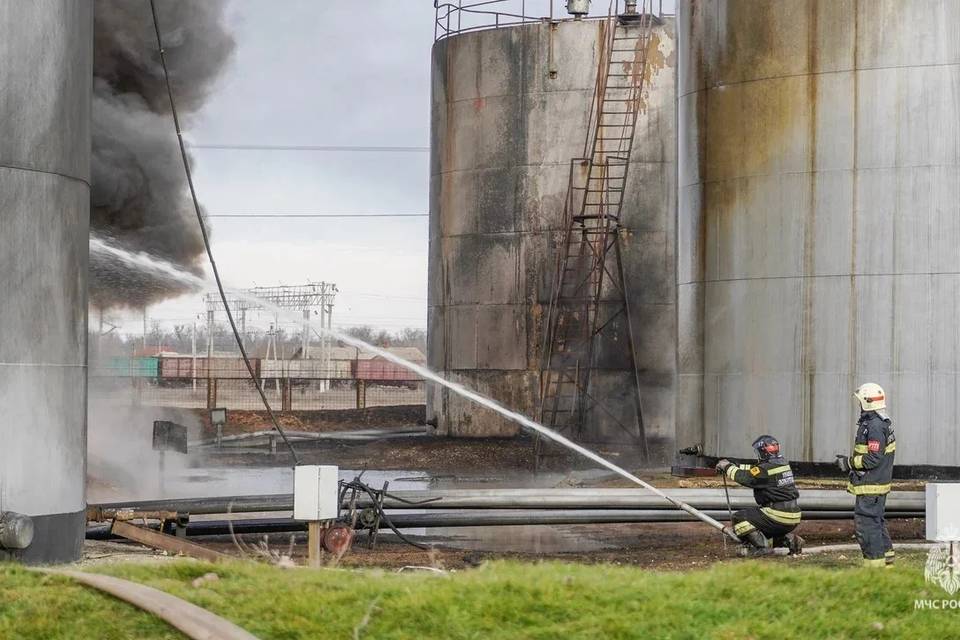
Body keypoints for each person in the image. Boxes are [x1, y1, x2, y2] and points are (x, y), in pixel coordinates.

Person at [837, 382, 896, 567]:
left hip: (871, 486)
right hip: (876, 484)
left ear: (867, 402)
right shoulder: (878, 422)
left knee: (867, 525)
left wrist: (848, 463)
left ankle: (875, 567)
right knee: (876, 522)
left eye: (860, 401)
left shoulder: (875, 426)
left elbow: (873, 458)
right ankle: (887, 560)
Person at [716, 435, 803, 556]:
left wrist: (726, 467)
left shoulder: (765, 470)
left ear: (762, 451)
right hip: (792, 516)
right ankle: (791, 540)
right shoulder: (782, 464)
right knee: (762, 529)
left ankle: (762, 548)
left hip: (778, 515)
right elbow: (755, 469)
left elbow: (746, 477)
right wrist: (735, 464)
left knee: (739, 519)